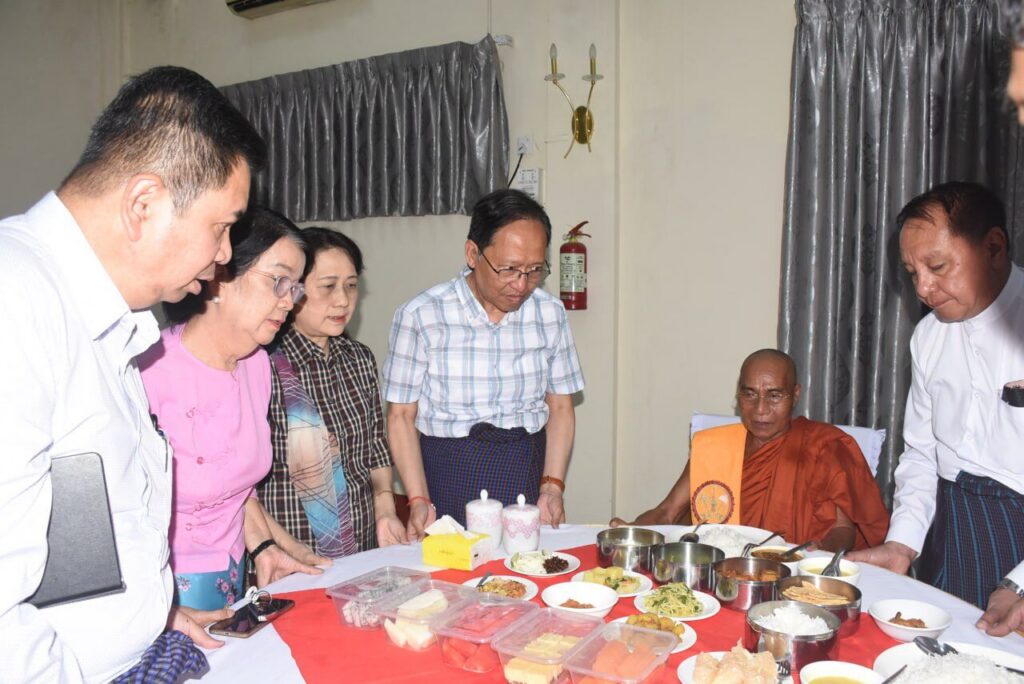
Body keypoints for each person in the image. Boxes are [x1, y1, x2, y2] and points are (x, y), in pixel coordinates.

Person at [0, 66, 265, 682]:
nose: (225, 254)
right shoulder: (17, 301)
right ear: (143, 204)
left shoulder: (104, 318)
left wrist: (152, 614)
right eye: (221, 227)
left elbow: (91, 520)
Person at [848, 182, 1024, 635]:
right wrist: (902, 544)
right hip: (954, 534)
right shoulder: (929, 336)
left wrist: (1019, 584)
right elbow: (923, 455)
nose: (924, 288)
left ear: (994, 247)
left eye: (938, 266)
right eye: (913, 273)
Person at [140, 208, 329, 611]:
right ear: (220, 277)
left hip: (231, 568)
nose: (289, 303)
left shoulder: (256, 364)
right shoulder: (147, 371)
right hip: (161, 586)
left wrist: (265, 546)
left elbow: (236, 487)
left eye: (295, 288)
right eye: (278, 282)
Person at [382, 188, 584, 536]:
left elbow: (561, 407)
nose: (521, 284)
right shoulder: (421, 316)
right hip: (449, 472)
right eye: (509, 269)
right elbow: (400, 416)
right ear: (473, 254)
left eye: (535, 270)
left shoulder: (549, 313)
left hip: (525, 467)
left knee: (525, 565)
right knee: (453, 569)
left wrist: (552, 486)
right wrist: (417, 498)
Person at [611, 349, 890, 552]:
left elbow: (842, 528)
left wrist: (818, 555)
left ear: (795, 395)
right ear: (738, 395)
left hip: (794, 572)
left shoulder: (824, 447)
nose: (760, 409)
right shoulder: (714, 448)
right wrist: (631, 531)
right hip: (718, 571)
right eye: (749, 394)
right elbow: (667, 512)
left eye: (774, 395)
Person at [260, 227, 405, 554]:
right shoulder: (262, 366)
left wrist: (385, 512)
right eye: (328, 287)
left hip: (363, 545)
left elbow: (375, 447)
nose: (342, 300)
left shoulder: (359, 359)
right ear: (293, 290)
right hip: (292, 552)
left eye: (351, 286)